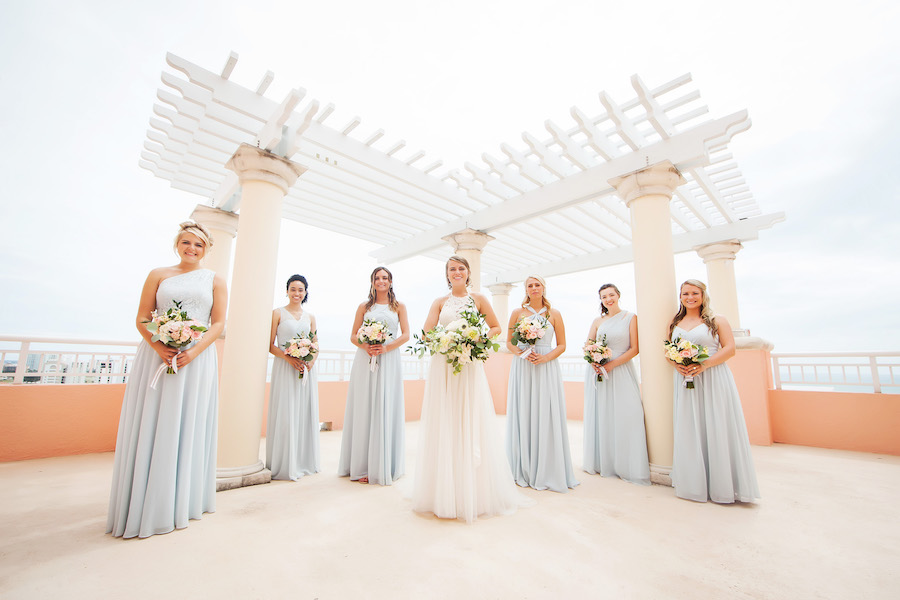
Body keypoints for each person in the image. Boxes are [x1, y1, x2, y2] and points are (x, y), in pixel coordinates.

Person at [107, 221, 227, 538]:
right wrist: (160, 347)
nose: (192, 248)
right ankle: (148, 500)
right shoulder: (158, 274)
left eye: (198, 245)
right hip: (157, 355)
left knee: (187, 421)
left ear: (207, 249)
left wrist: (194, 351)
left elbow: (217, 324)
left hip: (196, 359)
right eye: (186, 242)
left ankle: (182, 501)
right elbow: (143, 318)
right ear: (178, 244)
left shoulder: (215, 280)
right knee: (156, 420)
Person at [412, 256, 532, 522]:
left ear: (468, 273)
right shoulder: (439, 302)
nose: (457, 272)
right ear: (447, 274)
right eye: (452, 269)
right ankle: (441, 490)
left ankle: (474, 490)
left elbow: (496, 327)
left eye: (461, 268)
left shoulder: (478, 299)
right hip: (444, 366)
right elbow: (426, 333)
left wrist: (474, 339)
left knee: (470, 418)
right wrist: (446, 340)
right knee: (445, 419)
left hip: (468, 365)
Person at [667, 279, 760, 503]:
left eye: (695, 293)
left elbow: (730, 349)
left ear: (703, 295)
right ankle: (694, 483)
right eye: (685, 293)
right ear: (680, 296)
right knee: (691, 426)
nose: (690, 297)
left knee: (717, 425)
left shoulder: (717, 320)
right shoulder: (675, 322)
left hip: (712, 378)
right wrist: (676, 364)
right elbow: (668, 350)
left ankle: (722, 486)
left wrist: (703, 365)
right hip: (686, 381)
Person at [505, 275, 579, 492]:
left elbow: (562, 344)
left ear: (544, 288)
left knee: (546, 411)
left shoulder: (554, 314)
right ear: (526, 289)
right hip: (524, 364)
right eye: (530, 285)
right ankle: (523, 466)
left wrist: (545, 358)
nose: (534, 288)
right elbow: (509, 342)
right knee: (525, 410)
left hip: (546, 366)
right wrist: (523, 352)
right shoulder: (517, 313)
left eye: (537, 285)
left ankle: (548, 467)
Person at [338, 267, 410, 485]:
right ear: (372, 282)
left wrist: (386, 348)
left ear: (390, 282)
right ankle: (361, 465)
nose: (381, 281)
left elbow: (406, 334)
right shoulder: (364, 307)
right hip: (365, 359)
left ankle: (383, 465)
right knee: (365, 407)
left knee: (385, 406)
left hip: (388, 360)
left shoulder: (398, 307)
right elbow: (352, 335)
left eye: (385, 278)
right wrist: (366, 346)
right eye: (377, 278)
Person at [582, 284, 650, 485]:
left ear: (618, 295)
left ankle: (626, 464)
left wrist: (612, 365)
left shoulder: (630, 317)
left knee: (628, 414)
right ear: (601, 300)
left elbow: (635, 348)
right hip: (598, 372)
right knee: (602, 414)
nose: (608, 299)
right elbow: (588, 344)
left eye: (611, 295)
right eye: (604, 296)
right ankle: (603, 462)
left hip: (620, 370)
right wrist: (594, 360)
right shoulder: (597, 321)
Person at [266, 274, 320, 481]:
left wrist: (310, 362)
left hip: (305, 370)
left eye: (301, 290)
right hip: (285, 367)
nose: (297, 293)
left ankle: (303, 461)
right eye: (293, 289)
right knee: (286, 411)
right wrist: (289, 359)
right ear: (287, 291)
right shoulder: (277, 313)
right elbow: (270, 344)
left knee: (302, 412)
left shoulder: (310, 317)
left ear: (305, 292)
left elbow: (315, 345)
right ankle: (284, 462)